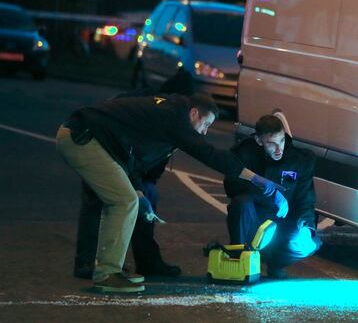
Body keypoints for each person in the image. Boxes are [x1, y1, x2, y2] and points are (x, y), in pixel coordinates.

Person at [56, 92, 278, 293]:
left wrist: (140, 191)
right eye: (206, 124)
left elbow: (129, 155)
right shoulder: (174, 117)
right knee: (123, 202)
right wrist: (256, 178)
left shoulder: (169, 113)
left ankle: (107, 269)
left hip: (97, 140)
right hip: (84, 137)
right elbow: (208, 154)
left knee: (126, 200)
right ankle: (106, 274)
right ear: (193, 113)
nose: (205, 132)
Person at [73, 70, 196, 280]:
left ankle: (144, 260)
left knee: (139, 199)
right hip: (99, 146)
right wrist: (142, 184)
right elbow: (134, 149)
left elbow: (152, 155)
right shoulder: (155, 108)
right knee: (99, 202)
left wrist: (146, 184)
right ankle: (91, 263)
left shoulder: (160, 107)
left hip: (116, 152)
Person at [225, 112, 321, 279]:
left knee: (309, 243)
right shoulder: (244, 153)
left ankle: (276, 264)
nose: (279, 149)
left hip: (284, 224)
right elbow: (232, 186)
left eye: (282, 141)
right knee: (241, 203)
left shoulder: (300, 159)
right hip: (255, 221)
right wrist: (270, 194)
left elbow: (305, 198)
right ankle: (239, 260)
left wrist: (306, 227)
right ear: (259, 140)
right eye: (271, 144)